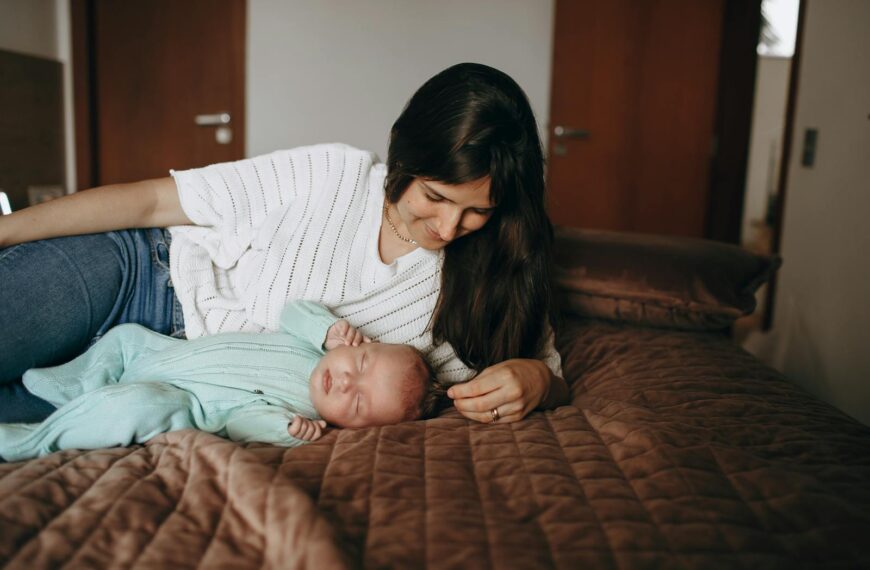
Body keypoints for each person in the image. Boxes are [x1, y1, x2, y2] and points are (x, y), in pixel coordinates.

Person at [0, 62, 568, 425]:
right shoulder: (334, 173)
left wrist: (539, 382)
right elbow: (154, 202)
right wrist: (6, 230)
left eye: (477, 213)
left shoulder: (499, 269)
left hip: (179, 386)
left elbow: (548, 369)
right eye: (436, 197)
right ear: (405, 155)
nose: (448, 229)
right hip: (142, 276)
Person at [0, 301, 443, 462]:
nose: (347, 383)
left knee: (137, 405)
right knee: (125, 337)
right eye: (360, 363)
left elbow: (240, 427)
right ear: (356, 343)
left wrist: (284, 431)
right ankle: (76, 385)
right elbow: (291, 310)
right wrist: (324, 329)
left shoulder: (301, 415)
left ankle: (34, 442)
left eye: (360, 404)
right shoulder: (312, 344)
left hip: (179, 400)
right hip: (160, 354)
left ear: (357, 430)